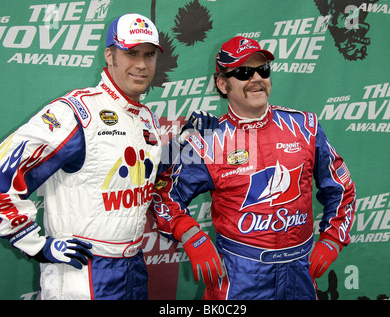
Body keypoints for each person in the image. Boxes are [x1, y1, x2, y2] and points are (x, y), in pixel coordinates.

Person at [151, 36, 356, 300]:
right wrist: (192, 237)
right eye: (244, 72)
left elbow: (341, 189)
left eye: (263, 70)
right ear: (222, 84)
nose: (256, 78)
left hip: (299, 276)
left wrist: (332, 239)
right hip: (240, 279)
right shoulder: (206, 140)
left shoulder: (305, 127)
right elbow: (162, 195)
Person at [0, 13, 166, 300]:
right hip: (81, 271)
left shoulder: (146, 119)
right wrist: (36, 244)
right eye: (131, 53)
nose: (141, 64)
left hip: (133, 269)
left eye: (149, 54)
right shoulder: (78, 112)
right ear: (110, 55)